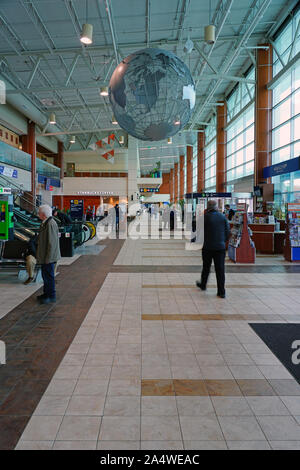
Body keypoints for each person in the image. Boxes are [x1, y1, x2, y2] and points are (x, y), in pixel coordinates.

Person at [196, 199, 230, 298]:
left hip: (207, 247)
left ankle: (203, 285)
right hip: (220, 247)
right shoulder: (223, 217)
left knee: (206, 267)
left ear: (207, 207)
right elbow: (227, 232)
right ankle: (221, 291)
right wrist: (222, 241)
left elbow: (198, 231)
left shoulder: (204, 217)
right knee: (220, 269)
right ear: (216, 207)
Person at [36, 204, 61, 304]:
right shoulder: (46, 223)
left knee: (49, 276)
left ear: (43, 214)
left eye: (39, 213)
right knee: (45, 276)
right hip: (45, 256)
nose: (38, 214)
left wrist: (48, 258)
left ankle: (51, 295)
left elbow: (52, 242)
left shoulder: (50, 224)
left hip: (49, 257)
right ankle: (46, 294)